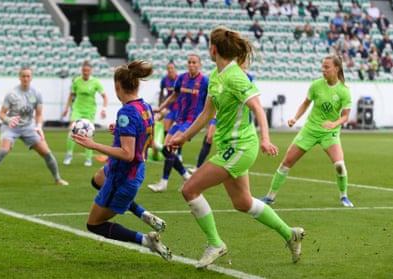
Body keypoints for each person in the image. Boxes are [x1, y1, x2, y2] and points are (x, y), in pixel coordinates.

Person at [167, 26, 304, 268]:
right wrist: (183, 136)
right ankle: (289, 234)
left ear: (214, 49)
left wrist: (265, 139)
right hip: (229, 147)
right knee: (242, 202)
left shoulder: (236, 76)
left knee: (189, 189)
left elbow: (258, 108)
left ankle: (215, 243)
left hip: (241, 147)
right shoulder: (215, 76)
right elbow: (207, 113)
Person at [71, 60, 172, 260]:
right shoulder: (146, 107)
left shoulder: (126, 111)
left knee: (94, 224)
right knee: (97, 180)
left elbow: (127, 153)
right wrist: (119, 130)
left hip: (123, 176)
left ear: (118, 86)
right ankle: (142, 213)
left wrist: (94, 145)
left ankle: (145, 240)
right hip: (134, 170)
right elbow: (147, 142)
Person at [261, 54, 354, 207]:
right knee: (286, 162)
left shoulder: (344, 91)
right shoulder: (316, 85)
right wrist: (295, 118)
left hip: (329, 133)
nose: (323, 70)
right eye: (322, 67)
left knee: (339, 165)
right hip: (310, 129)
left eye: (327, 67)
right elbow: (305, 103)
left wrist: (334, 123)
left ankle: (344, 196)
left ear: (336, 69)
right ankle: (270, 196)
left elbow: (345, 116)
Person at [0, 66, 68, 187]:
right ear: (19, 77)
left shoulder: (36, 93)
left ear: (32, 78)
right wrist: (9, 120)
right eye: (23, 76)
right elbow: (1, 114)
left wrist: (39, 127)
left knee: (47, 153)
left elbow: (39, 114)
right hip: (11, 127)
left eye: (28, 76)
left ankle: (57, 179)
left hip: (28, 128)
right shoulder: (12, 94)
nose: (26, 78)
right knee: (3, 151)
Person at [147, 54, 209, 192]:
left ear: (200, 64)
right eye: (189, 62)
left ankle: (163, 182)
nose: (191, 65)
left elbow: (210, 101)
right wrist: (161, 108)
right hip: (180, 119)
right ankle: (186, 176)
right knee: (165, 149)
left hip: (192, 122)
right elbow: (174, 95)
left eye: (194, 62)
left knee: (170, 147)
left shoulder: (205, 81)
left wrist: (210, 118)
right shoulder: (182, 78)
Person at [62, 60, 108, 167]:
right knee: (72, 130)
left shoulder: (95, 82)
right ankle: (69, 154)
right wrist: (67, 108)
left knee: (88, 134)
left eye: (87, 70)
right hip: (77, 109)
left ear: (90, 71)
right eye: (84, 70)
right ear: (82, 71)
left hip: (89, 111)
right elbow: (71, 95)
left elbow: (104, 96)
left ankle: (88, 159)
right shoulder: (77, 81)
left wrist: (104, 109)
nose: (85, 72)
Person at [152, 61, 179, 160]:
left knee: (178, 130)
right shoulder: (164, 80)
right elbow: (161, 93)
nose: (170, 70)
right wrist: (160, 106)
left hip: (179, 107)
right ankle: (167, 149)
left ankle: (178, 153)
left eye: (172, 68)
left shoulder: (179, 79)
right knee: (166, 129)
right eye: (168, 68)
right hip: (169, 107)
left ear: (175, 69)